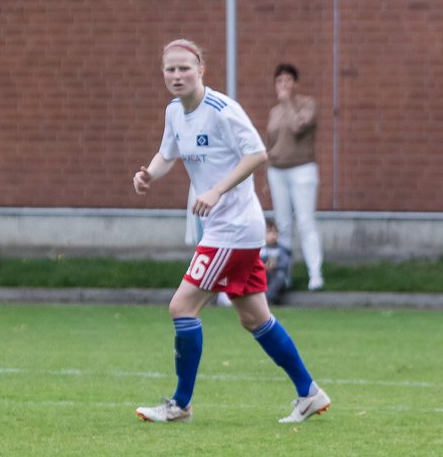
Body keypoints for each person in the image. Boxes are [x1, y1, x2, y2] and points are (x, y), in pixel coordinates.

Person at [132, 39, 331, 425]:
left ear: (201, 68)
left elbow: (257, 153)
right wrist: (148, 174)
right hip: (228, 228)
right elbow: (167, 153)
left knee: (182, 307)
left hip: (233, 227)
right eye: (170, 69)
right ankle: (309, 393)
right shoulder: (175, 111)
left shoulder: (222, 110)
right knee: (254, 318)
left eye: (184, 68)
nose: (176, 75)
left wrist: (216, 190)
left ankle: (181, 404)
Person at [264, 63, 325, 291]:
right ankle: (283, 275)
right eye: (279, 81)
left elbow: (299, 127)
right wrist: (265, 180)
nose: (283, 85)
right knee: (282, 224)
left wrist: (288, 101)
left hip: (302, 169)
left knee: (305, 220)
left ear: (295, 83)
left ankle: (315, 274)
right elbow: (270, 146)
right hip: (277, 171)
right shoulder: (274, 111)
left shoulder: (306, 104)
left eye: (288, 80)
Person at [262, 219, 293, 304]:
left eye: (275, 232)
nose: (273, 235)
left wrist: (274, 266)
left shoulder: (281, 250)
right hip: (261, 274)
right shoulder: (259, 249)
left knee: (280, 277)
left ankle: (267, 298)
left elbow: (285, 263)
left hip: (274, 274)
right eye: (269, 232)